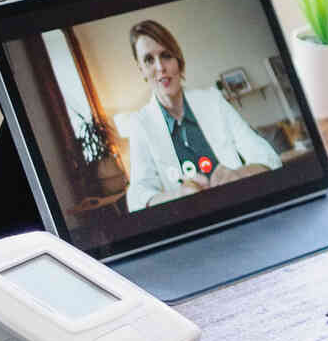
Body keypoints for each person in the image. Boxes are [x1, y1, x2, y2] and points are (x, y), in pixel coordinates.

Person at [115, 20, 284, 211]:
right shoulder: (140, 124)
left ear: (178, 60)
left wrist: (241, 174)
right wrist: (178, 195)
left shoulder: (213, 100)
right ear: (141, 69)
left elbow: (267, 156)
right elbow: (138, 197)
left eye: (166, 55)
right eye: (149, 60)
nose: (160, 67)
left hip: (241, 207)